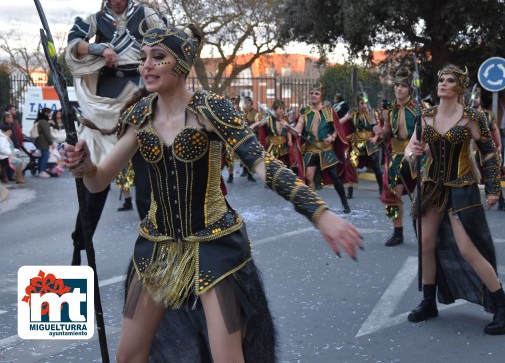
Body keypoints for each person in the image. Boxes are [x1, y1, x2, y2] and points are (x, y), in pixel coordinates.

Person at [64, 23, 363, 362]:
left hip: (214, 246)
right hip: (158, 248)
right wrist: (85, 165)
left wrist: (319, 214)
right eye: (144, 57)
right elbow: (98, 181)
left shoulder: (211, 110)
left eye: (158, 57)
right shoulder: (140, 115)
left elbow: (263, 165)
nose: (146, 65)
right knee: (128, 356)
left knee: (228, 358)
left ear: (182, 64)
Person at [404, 64, 505, 335]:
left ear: (459, 87)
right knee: (426, 244)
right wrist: (415, 153)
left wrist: (493, 188)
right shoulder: (425, 116)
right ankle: (428, 302)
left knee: (468, 249)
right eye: (440, 80)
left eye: (449, 80)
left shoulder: (472, 117)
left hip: (461, 187)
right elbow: (412, 149)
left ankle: (504, 307)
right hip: (432, 185)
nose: (442, 84)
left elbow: (489, 154)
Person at [65, 0, 164, 264]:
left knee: (147, 177)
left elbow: (165, 40)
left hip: (140, 94)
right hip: (105, 100)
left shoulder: (145, 14)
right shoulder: (95, 19)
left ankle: (155, 245)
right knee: (94, 177)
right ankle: (80, 245)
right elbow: (73, 45)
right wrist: (98, 48)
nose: (118, 1)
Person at [373, 67, 417, 246]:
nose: (399, 89)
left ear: (410, 90)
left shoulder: (419, 108)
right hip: (396, 156)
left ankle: (426, 232)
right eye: (397, 86)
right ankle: (397, 232)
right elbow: (386, 133)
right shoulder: (389, 110)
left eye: (403, 86)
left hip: (417, 156)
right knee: (392, 196)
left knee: (425, 197)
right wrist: (379, 133)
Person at [293, 83, 353, 213]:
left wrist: (332, 137)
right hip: (311, 149)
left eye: (317, 93)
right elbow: (298, 129)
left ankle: (344, 202)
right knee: (308, 177)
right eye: (312, 93)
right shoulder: (305, 112)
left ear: (321, 96)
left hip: (326, 149)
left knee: (335, 177)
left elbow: (337, 128)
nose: (314, 96)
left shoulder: (328, 111)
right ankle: (314, 204)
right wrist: (289, 127)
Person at [472, 88, 505, 211]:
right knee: (470, 178)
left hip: (486, 151)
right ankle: (471, 204)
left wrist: (499, 145)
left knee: (494, 177)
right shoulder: (464, 115)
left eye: (476, 97)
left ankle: (501, 202)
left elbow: (495, 130)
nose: (474, 100)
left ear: (480, 99)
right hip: (470, 152)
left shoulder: (488, 115)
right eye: (472, 98)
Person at [339, 93, 383, 197]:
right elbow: (342, 121)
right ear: (358, 103)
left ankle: (382, 190)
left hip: (370, 142)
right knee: (351, 165)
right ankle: (350, 192)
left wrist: (375, 138)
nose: (364, 105)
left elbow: (378, 128)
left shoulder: (373, 113)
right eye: (362, 103)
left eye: (365, 103)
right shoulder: (353, 113)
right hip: (356, 143)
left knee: (376, 167)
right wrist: (334, 124)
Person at [254, 99, 304, 179]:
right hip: (272, 145)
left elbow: (288, 130)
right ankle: (271, 178)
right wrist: (260, 123)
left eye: (283, 109)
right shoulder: (269, 119)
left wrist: (290, 140)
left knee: (285, 162)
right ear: (275, 109)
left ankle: (284, 178)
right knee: (271, 163)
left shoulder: (285, 119)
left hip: (283, 145)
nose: (282, 111)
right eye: (280, 109)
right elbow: (259, 125)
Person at [34, 108, 53, 178]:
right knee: (45, 156)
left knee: (41, 157)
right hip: (43, 142)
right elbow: (47, 134)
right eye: (49, 113)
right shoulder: (44, 122)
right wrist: (51, 142)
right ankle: (42, 171)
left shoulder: (39, 120)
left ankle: (40, 171)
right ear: (46, 113)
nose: (50, 114)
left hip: (39, 141)